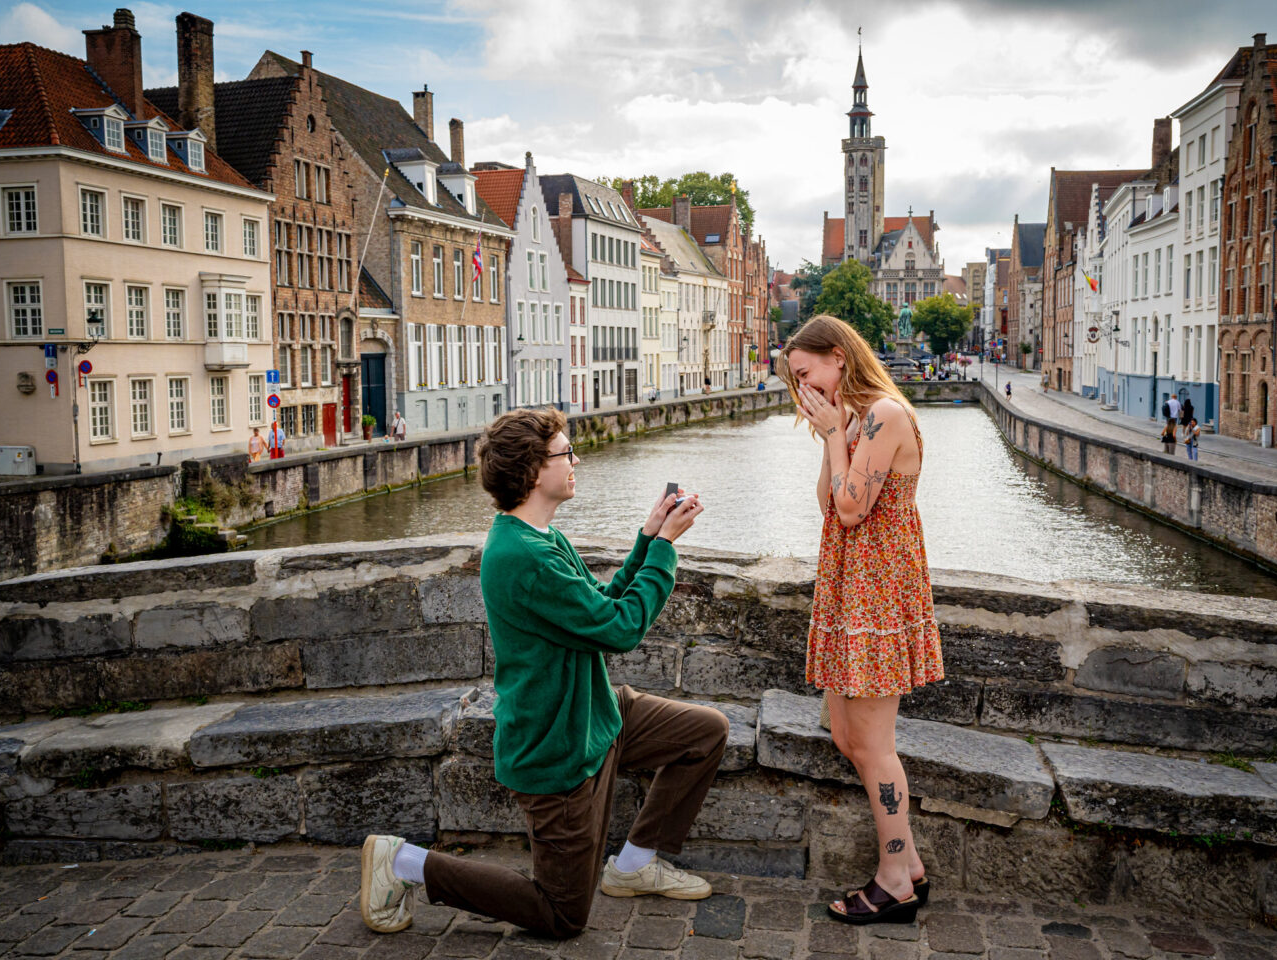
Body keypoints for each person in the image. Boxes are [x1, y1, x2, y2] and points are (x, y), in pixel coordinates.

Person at [358, 407, 725, 941]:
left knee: (705, 732)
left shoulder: (539, 536)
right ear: (532, 470)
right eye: (565, 452)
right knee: (560, 914)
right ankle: (404, 863)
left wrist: (647, 538)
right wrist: (666, 551)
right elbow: (620, 629)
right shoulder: (522, 555)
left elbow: (596, 607)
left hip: (596, 710)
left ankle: (635, 864)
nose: (576, 460)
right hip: (556, 743)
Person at [778, 314, 942, 926]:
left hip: (877, 594)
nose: (803, 389)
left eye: (806, 373)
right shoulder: (852, 421)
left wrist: (832, 437)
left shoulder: (883, 415)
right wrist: (832, 435)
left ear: (838, 357)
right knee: (848, 738)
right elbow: (826, 499)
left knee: (873, 744)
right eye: (795, 381)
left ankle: (895, 876)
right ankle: (912, 865)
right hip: (851, 588)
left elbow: (850, 508)